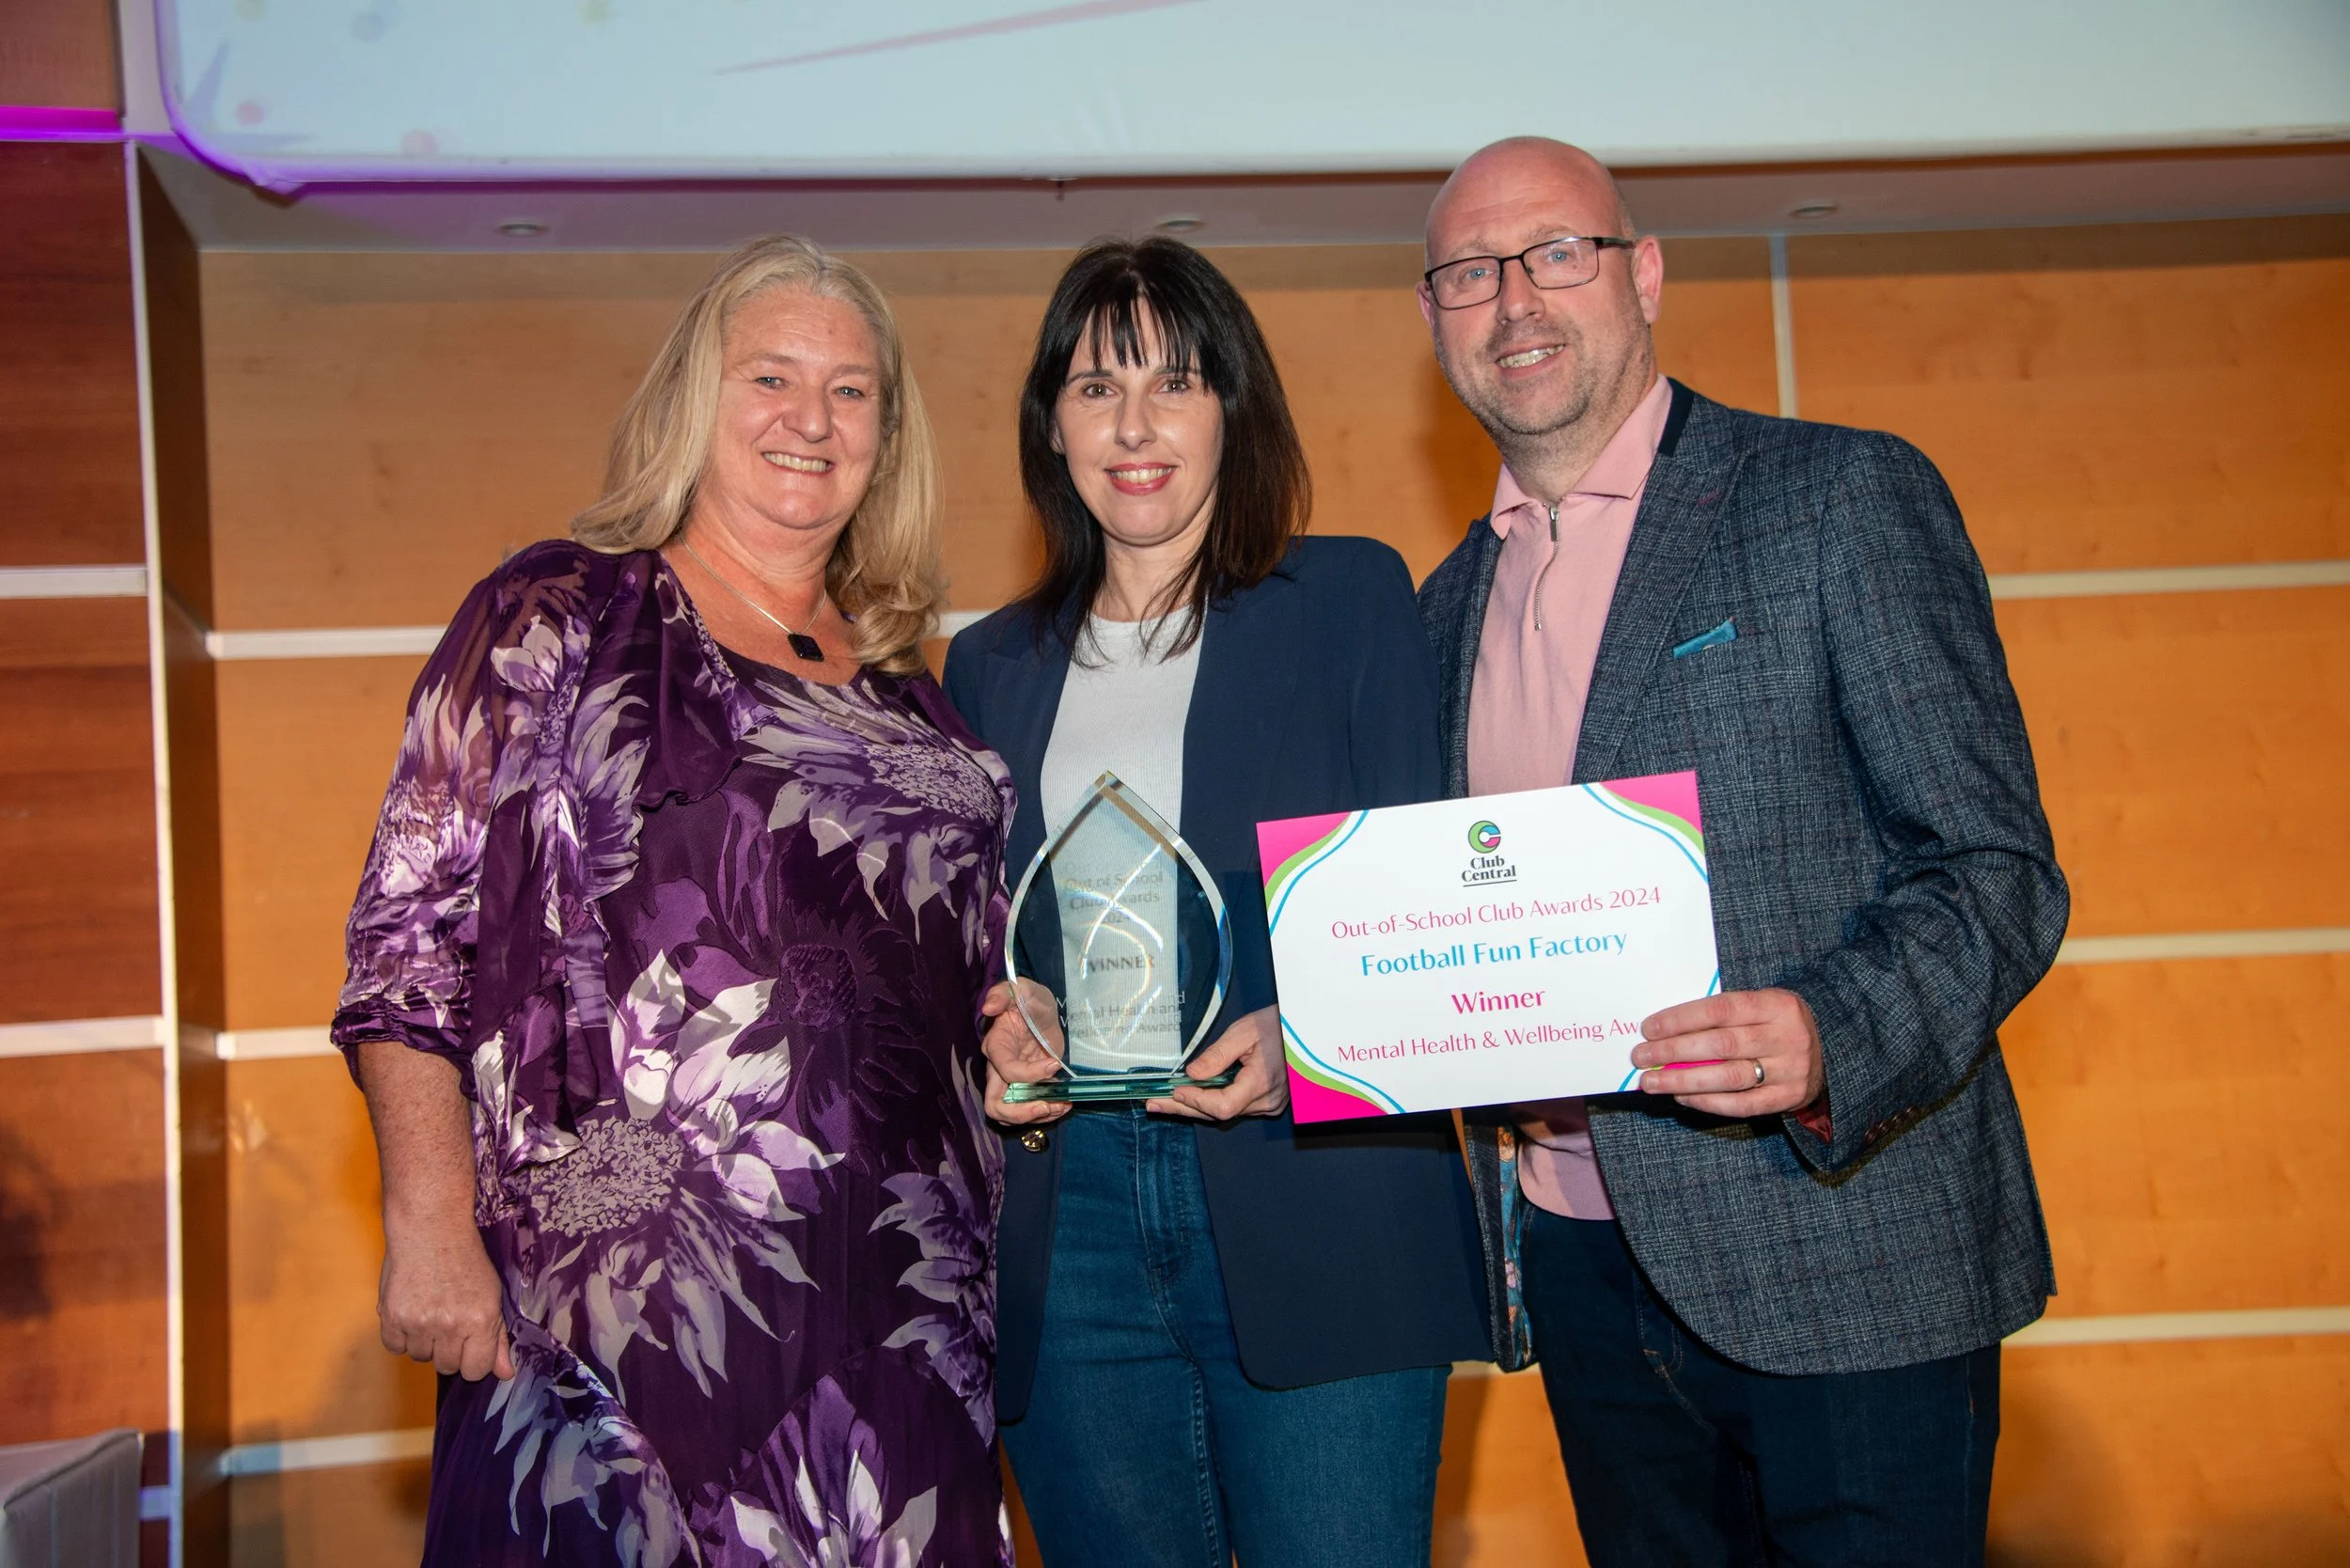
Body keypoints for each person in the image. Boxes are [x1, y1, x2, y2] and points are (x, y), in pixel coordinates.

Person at [1415, 138, 2068, 1565]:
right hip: (1580, 1263)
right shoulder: (1440, 607)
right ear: (1433, 319)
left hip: (1848, 1243)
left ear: (1643, 275)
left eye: (1558, 253)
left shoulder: (1836, 497)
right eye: (1469, 272)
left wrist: (1834, 1034)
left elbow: (1995, 869)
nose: (1515, 300)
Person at [332, 235, 1016, 1567]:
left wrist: (1017, 1021)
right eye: (770, 376)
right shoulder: (564, 613)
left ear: (888, 436)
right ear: (694, 398)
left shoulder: (909, 688)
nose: (811, 418)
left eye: (853, 390)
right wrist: (426, 1226)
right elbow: (409, 935)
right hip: (628, 1307)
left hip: (911, 1311)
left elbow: (959, 972)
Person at [943, 237, 1489, 1568]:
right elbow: (969, 943)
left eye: (1175, 383)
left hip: (1320, 1190)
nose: (1134, 426)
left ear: (1232, 410)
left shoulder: (1347, 598)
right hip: (1070, 1223)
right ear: (1052, 426)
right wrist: (1001, 1019)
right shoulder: (986, 664)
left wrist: (1308, 1041)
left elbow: (1434, 919)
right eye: (1096, 388)